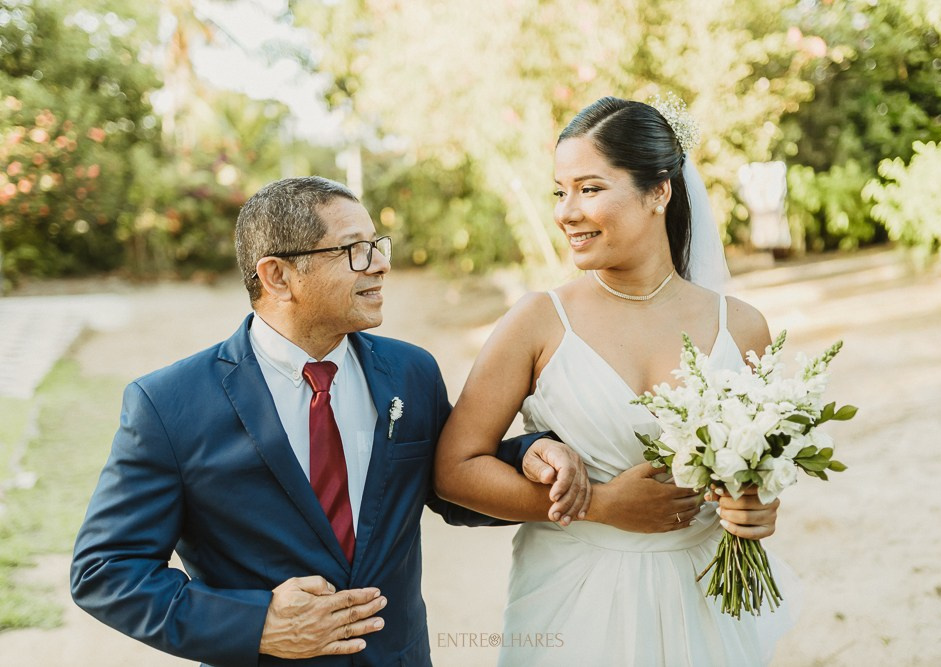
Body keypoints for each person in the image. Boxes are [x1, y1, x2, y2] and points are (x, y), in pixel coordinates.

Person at [69, 177, 590, 667]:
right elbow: (105, 570)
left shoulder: (410, 372)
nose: (381, 264)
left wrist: (531, 455)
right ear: (277, 275)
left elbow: (447, 481)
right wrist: (258, 624)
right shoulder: (168, 404)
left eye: (377, 244)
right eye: (353, 250)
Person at [434, 97, 798, 665]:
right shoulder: (537, 321)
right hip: (575, 598)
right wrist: (598, 505)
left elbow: (753, 468)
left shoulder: (743, 327)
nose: (567, 211)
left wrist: (755, 505)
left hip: (707, 595)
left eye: (590, 188)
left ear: (659, 192)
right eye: (561, 191)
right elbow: (453, 472)